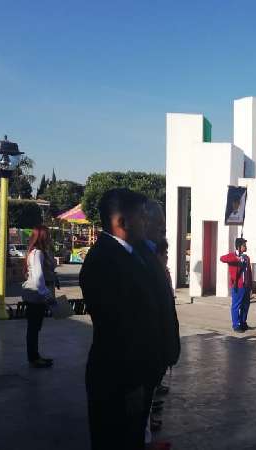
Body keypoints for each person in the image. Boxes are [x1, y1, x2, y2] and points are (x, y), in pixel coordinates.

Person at [80, 188, 156, 450]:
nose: (147, 222)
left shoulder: (131, 254)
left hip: (132, 373)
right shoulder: (104, 260)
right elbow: (120, 325)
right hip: (118, 377)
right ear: (121, 222)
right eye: (142, 217)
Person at [139, 201, 181, 442]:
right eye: (160, 228)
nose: (161, 233)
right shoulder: (140, 262)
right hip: (144, 353)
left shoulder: (155, 266)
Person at [21, 225, 56, 369]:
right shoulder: (37, 254)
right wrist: (48, 296)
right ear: (41, 236)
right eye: (47, 235)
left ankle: (35, 356)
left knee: (35, 327)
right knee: (34, 327)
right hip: (36, 295)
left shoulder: (41, 252)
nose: (49, 238)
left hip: (38, 294)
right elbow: (38, 278)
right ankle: (34, 358)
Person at [220, 238, 253, 332]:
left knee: (246, 305)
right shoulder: (233, 256)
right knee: (236, 305)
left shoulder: (246, 257)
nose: (245, 247)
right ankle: (236, 324)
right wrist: (236, 258)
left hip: (246, 285)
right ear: (239, 247)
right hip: (238, 285)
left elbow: (249, 272)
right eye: (244, 245)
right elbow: (222, 258)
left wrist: (250, 286)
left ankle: (243, 322)